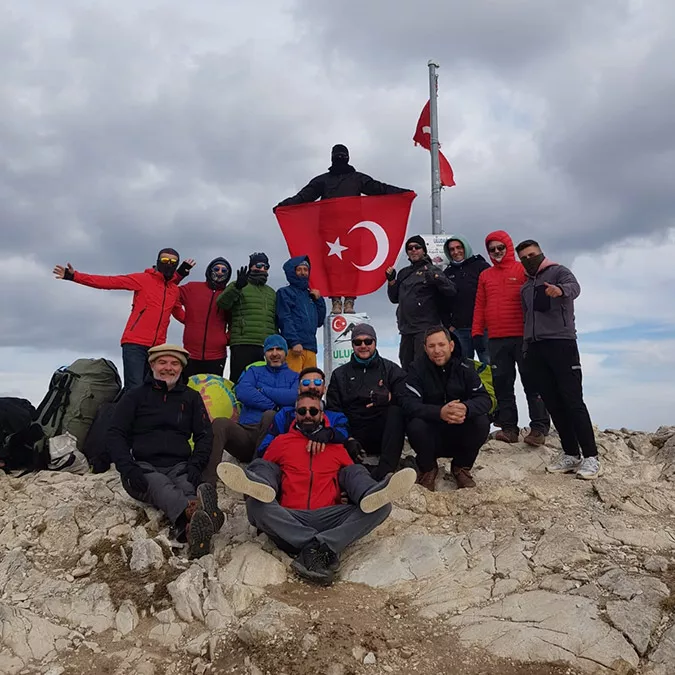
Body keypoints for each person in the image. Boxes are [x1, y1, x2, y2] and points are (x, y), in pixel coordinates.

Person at [216, 391, 417, 585]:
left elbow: (349, 479)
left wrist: (353, 494)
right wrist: (264, 487)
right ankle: (322, 547)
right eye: (302, 411)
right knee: (257, 498)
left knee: (379, 502)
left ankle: (367, 496)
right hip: (290, 519)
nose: (307, 416)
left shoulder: (337, 448)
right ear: (295, 415)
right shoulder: (281, 442)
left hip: (330, 518)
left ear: (321, 415)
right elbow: (267, 467)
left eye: (313, 411)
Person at [107, 344, 223, 558]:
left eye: (174, 363)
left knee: (187, 485)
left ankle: (190, 531)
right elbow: (115, 433)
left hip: (179, 465)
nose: (168, 368)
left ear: (181, 368)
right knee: (160, 484)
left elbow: (205, 434)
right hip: (142, 468)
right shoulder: (134, 396)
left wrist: (195, 464)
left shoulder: (191, 398)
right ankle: (196, 512)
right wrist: (127, 467)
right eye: (163, 362)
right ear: (152, 365)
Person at [275, 144, 410, 315]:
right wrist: (284, 205)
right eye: (337, 156)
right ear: (332, 157)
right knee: (332, 266)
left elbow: (379, 189)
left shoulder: (358, 178)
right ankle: (336, 300)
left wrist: (402, 193)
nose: (340, 159)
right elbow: (304, 196)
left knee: (352, 265)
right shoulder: (322, 180)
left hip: (352, 230)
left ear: (347, 157)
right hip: (329, 231)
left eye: (342, 155)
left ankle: (350, 301)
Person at [516, 240, 601, 480]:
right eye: (523, 257)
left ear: (541, 253)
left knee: (573, 401)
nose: (528, 259)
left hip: (561, 344)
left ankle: (592, 457)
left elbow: (574, 287)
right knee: (553, 403)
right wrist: (525, 348)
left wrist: (560, 290)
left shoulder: (559, 271)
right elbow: (526, 320)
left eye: (532, 254)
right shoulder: (524, 288)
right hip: (535, 348)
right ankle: (570, 454)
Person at [53, 249, 194, 390]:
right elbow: (109, 282)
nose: (168, 264)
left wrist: (203, 322)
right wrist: (74, 276)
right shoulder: (143, 279)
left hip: (157, 348)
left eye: (172, 262)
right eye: (164, 260)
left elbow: (180, 315)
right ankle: (120, 412)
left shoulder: (174, 290)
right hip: (135, 343)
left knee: (152, 389)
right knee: (135, 388)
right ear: (157, 262)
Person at [472, 231, 550, 445]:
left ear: (508, 246)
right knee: (502, 384)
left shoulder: (522, 268)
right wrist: (476, 331)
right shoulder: (485, 275)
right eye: (492, 249)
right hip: (496, 337)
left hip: (524, 336)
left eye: (500, 247)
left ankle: (539, 428)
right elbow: (480, 305)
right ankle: (509, 429)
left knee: (532, 382)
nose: (496, 252)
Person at [404, 327, 492, 491]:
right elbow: (409, 404)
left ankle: (461, 467)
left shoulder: (466, 367)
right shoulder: (416, 369)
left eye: (441, 345)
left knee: (481, 420)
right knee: (414, 423)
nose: (437, 350)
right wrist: (440, 413)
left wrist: (465, 407)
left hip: (459, 430)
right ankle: (428, 468)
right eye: (431, 346)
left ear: (451, 346)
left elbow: (484, 399)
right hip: (431, 435)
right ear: (425, 348)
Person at [206, 335, 298, 481]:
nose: (274, 353)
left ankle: (254, 473)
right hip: (246, 433)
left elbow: (293, 397)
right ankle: (207, 484)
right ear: (265, 354)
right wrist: (274, 404)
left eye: (279, 349)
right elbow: (242, 392)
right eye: (270, 350)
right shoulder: (254, 371)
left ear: (286, 353)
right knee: (220, 423)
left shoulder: (295, 376)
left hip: (274, 438)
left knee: (270, 415)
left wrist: (263, 389)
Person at [326, 324, 407, 480]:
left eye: (368, 341)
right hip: (354, 433)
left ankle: (386, 472)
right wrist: (347, 438)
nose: (363, 346)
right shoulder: (339, 374)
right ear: (352, 345)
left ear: (375, 342)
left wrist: (390, 397)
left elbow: (408, 395)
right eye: (358, 342)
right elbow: (333, 408)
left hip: (382, 431)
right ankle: (354, 473)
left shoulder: (390, 369)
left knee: (396, 412)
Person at [386, 235, 457, 370]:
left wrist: (437, 279)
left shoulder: (432, 269)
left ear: (424, 250)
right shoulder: (403, 273)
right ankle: (410, 391)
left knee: (423, 367)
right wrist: (391, 281)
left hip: (425, 328)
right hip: (406, 329)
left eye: (417, 247)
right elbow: (394, 298)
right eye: (410, 248)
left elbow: (451, 291)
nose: (413, 250)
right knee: (406, 366)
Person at [257, 366, 349, 456]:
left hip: (327, 465)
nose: (312, 386)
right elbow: (265, 447)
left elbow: (344, 435)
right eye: (306, 382)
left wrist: (331, 433)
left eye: (317, 382)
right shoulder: (285, 415)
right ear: (298, 389)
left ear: (324, 389)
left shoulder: (336, 417)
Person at [216, 252, 276, 384]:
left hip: (265, 345)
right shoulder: (238, 285)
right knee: (240, 381)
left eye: (266, 267)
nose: (262, 269)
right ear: (251, 267)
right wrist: (237, 287)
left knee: (262, 383)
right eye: (259, 265)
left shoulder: (271, 292)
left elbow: (274, 318)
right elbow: (222, 303)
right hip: (243, 342)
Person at [176, 257, 232, 378]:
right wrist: (186, 319)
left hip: (216, 355)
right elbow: (169, 293)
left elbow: (236, 319)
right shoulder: (192, 288)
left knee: (212, 393)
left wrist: (225, 338)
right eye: (216, 269)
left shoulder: (229, 294)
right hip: (190, 353)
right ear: (209, 270)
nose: (219, 272)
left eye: (224, 271)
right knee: (187, 392)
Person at [442, 234, 490, 364]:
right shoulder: (446, 273)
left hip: (483, 328)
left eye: (459, 247)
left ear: (465, 248)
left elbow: (492, 294)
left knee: (490, 366)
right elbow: (442, 302)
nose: (456, 252)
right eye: (452, 249)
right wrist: (449, 325)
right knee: (463, 368)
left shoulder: (481, 266)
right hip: (459, 329)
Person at [276, 256, 327, 373]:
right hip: (294, 348)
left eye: (306, 269)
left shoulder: (311, 295)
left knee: (310, 384)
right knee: (294, 383)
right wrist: (294, 342)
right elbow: (284, 318)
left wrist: (319, 300)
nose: (303, 273)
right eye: (299, 269)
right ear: (292, 272)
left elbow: (319, 321)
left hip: (311, 347)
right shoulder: (284, 292)